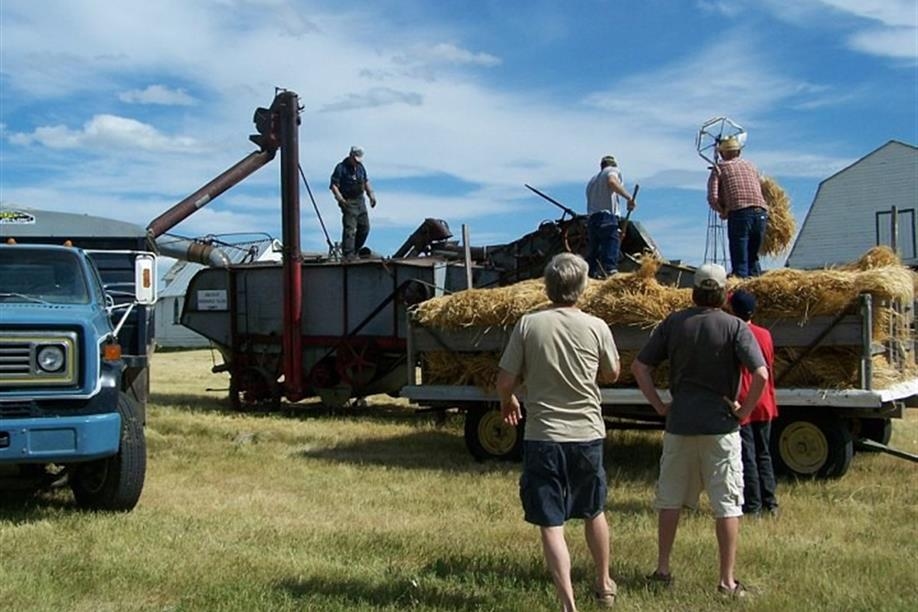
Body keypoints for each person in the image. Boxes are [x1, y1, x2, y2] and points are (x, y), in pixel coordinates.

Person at [631, 263, 768, 597]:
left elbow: (639, 367)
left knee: (670, 499)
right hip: (721, 427)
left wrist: (661, 407)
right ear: (723, 293)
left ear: (693, 291)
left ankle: (662, 569)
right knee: (727, 503)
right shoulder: (736, 327)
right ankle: (726, 580)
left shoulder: (674, 323)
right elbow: (761, 375)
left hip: (680, 425)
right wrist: (743, 413)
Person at [496, 252, 621, 611]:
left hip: (543, 436)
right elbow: (612, 374)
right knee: (594, 510)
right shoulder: (597, 326)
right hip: (587, 434)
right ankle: (603, 583)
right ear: (582, 288)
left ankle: (569, 604)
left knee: (551, 521)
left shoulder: (528, 325)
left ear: (547, 287)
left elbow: (505, 380)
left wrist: (509, 401)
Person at [729, 289, 779, 517]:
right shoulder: (765, 334)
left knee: (747, 456)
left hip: (745, 402)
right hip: (765, 400)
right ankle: (771, 503)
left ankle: (753, 506)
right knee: (764, 454)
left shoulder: (735, 334)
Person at [706, 136, 768, 278]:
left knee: (740, 261)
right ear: (739, 151)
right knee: (753, 259)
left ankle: (740, 293)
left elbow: (713, 197)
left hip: (740, 213)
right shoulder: (751, 166)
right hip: (761, 213)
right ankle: (755, 293)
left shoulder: (719, 168)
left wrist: (723, 211)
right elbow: (762, 187)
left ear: (722, 153)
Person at [585, 155, 636, 279]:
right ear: (613, 165)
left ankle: (592, 274)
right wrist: (629, 198)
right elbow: (612, 181)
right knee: (610, 243)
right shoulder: (612, 171)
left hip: (592, 219)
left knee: (594, 250)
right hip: (606, 217)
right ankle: (610, 270)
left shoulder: (592, 181)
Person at [330, 145, 377, 259]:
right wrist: (340, 199)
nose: (357, 162)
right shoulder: (341, 168)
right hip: (348, 201)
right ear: (350, 156)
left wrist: (371, 195)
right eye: (355, 159)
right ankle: (348, 254)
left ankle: (355, 250)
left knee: (365, 227)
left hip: (360, 200)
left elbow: (365, 182)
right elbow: (334, 186)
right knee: (350, 229)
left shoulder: (361, 168)